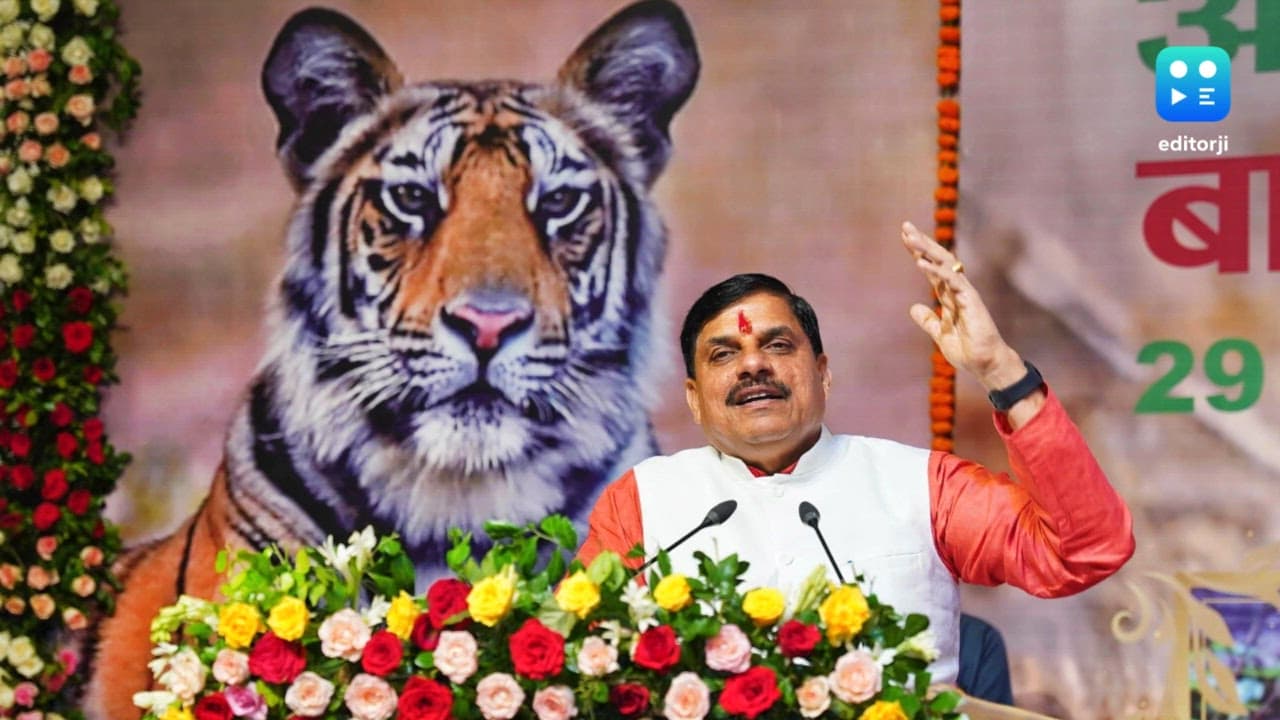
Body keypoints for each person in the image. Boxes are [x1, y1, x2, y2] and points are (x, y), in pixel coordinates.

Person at [576, 221, 1135, 687]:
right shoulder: (643, 502)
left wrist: (1001, 371)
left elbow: (1084, 552)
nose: (752, 365)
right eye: (723, 354)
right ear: (694, 399)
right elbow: (581, 659)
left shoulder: (921, 485)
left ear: (823, 373)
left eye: (777, 345)